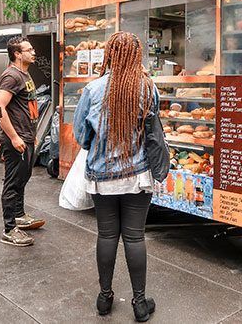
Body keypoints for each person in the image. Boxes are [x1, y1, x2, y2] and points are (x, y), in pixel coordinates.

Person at [73, 32, 158, 322]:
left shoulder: (93, 90)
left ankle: (105, 298)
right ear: (137, 57)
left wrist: (99, 145)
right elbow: (154, 133)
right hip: (138, 176)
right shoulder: (148, 88)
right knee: (135, 238)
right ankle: (139, 303)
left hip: (101, 175)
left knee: (107, 235)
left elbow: (81, 136)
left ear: (109, 55)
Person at [0, 36, 46, 246]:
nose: (34, 52)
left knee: (22, 179)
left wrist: (31, 134)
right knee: (12, 183)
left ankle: (19, 216)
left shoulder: (24, 73)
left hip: (26, 137)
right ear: (17, 54)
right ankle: (9, 229)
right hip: (16, 139)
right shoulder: (11, 76)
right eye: (29, 50)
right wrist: (14, 137)